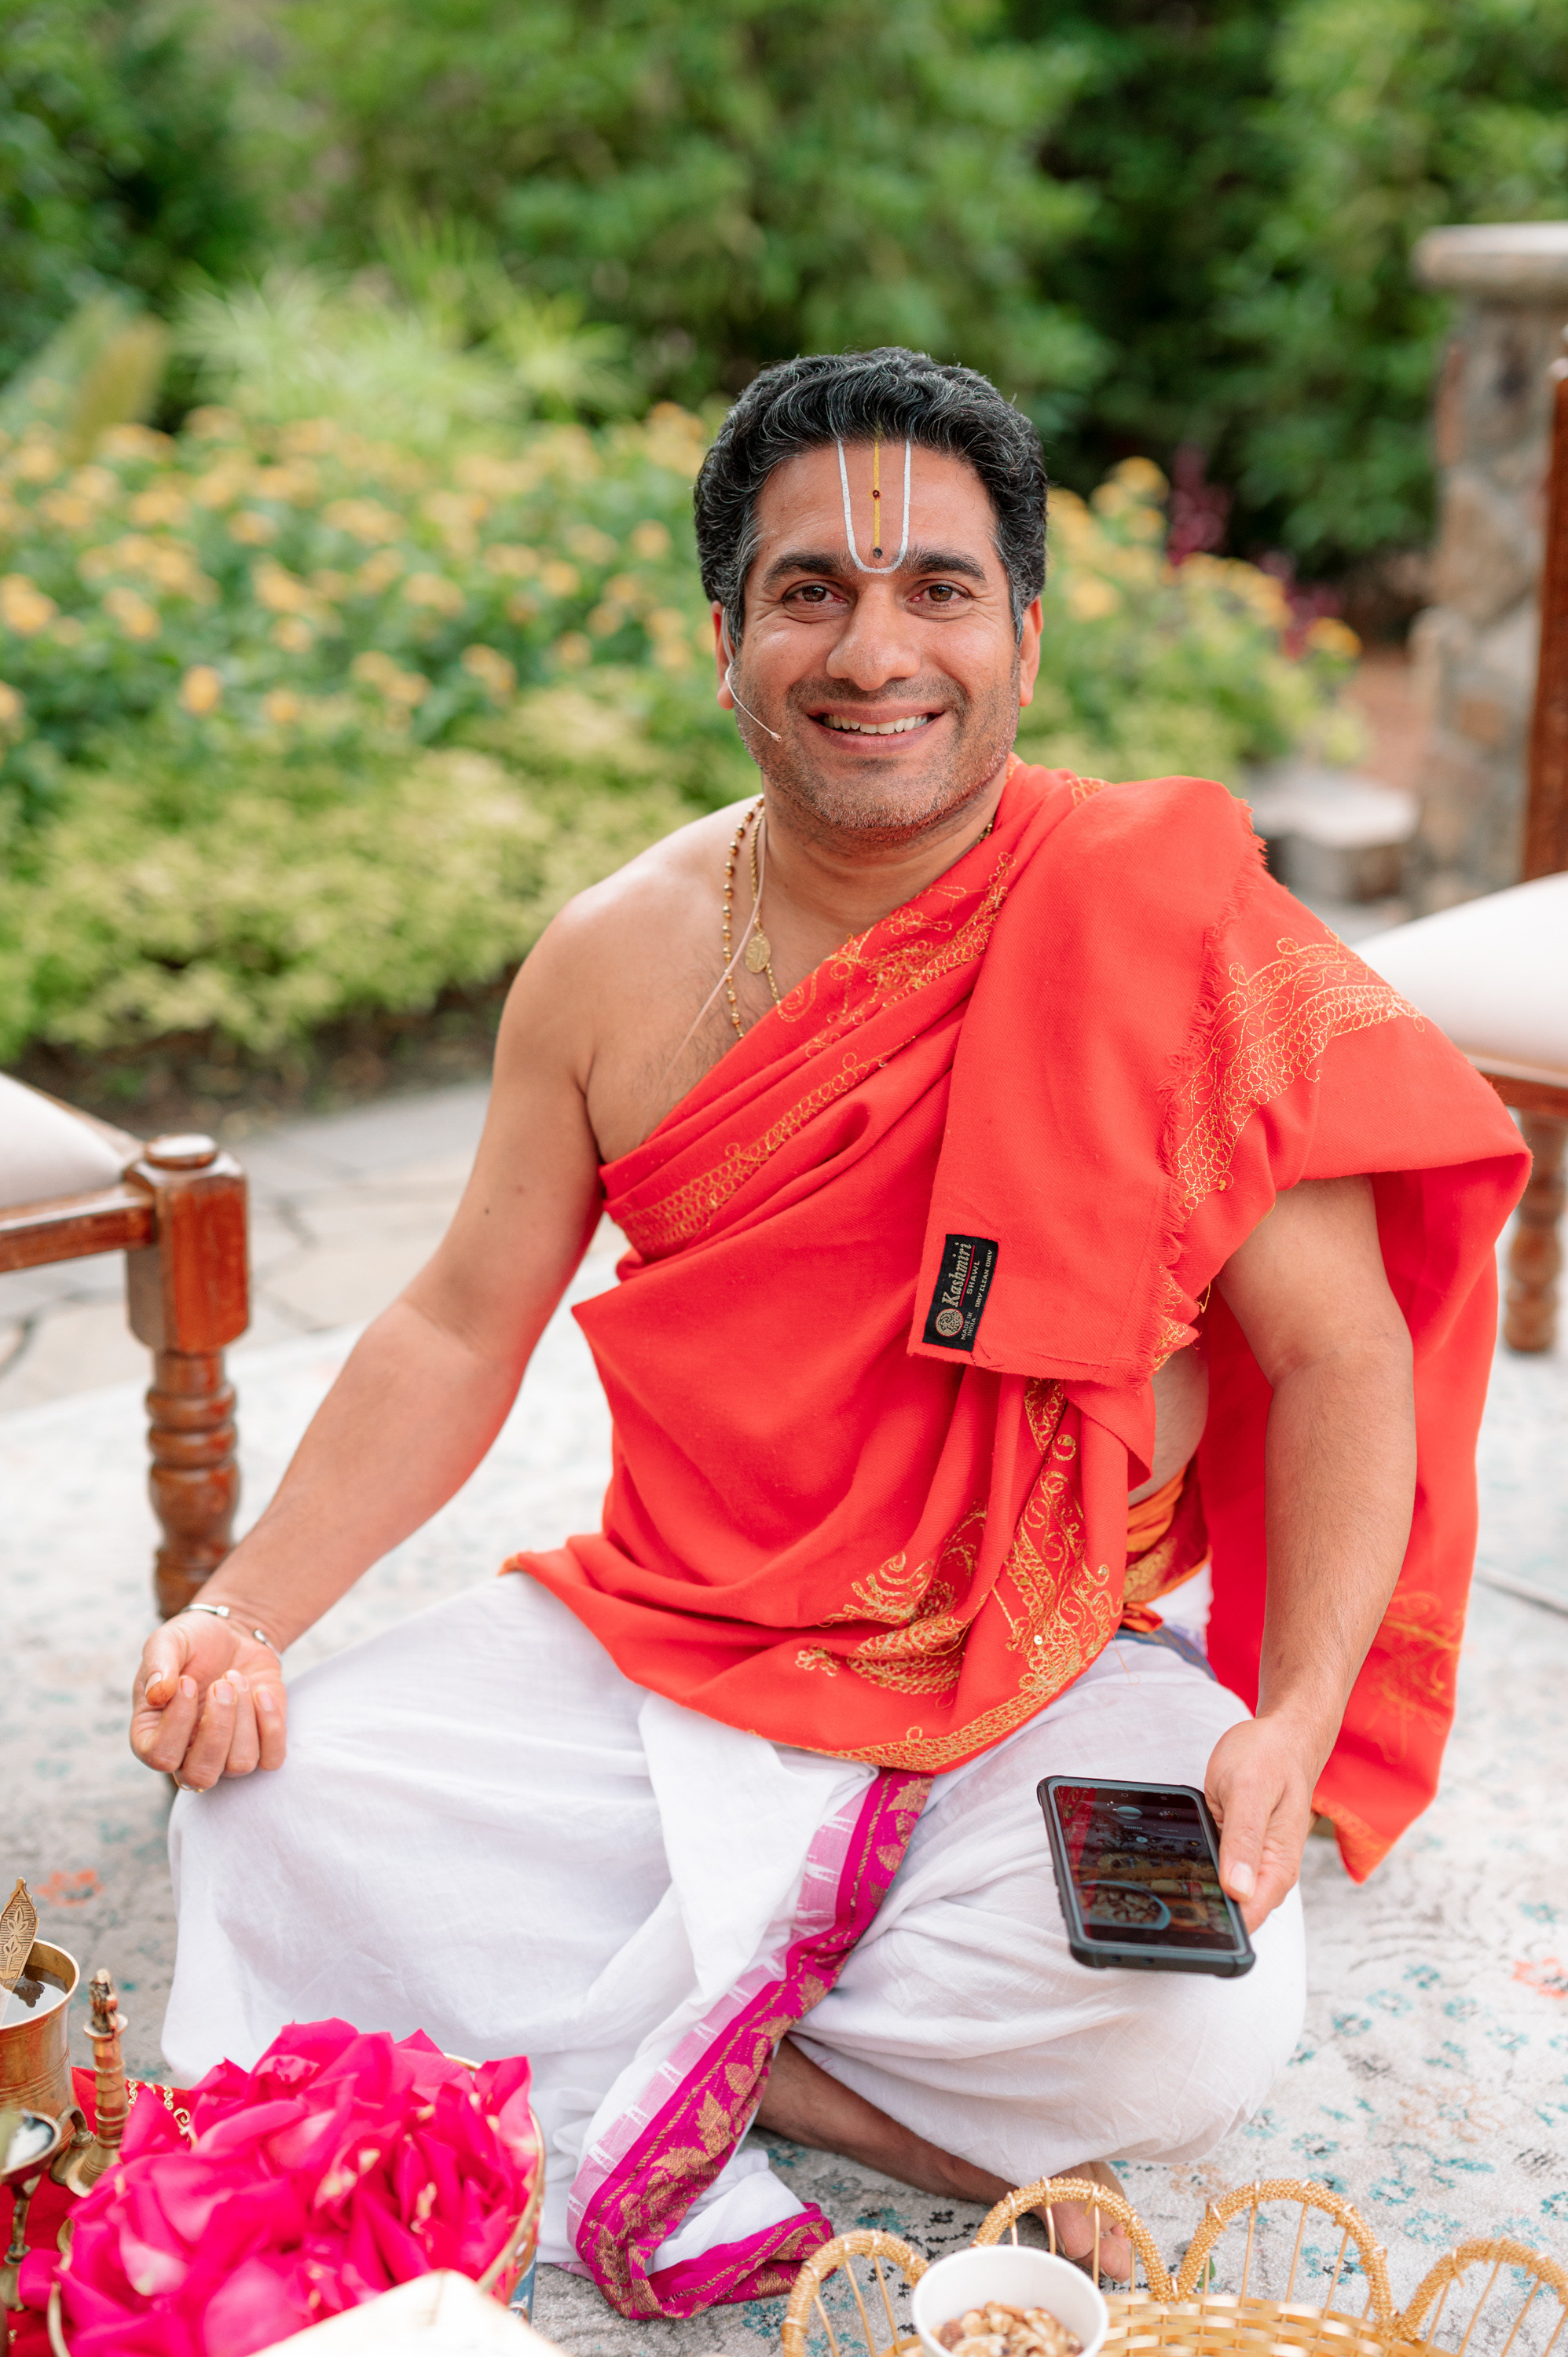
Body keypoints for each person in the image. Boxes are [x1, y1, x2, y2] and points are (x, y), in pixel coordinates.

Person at [128, 349, 1526, 2323]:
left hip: (1034, 1663)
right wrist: (244, 1614)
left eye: (937, 589)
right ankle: (812, 2068)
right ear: (726, 644)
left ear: (1021, 638)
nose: (875, 651)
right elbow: (453, 1326)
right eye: (810, 591)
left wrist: (1288, 1720)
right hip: (678, 1639)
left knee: (1191, 2020)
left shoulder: (1178, 933)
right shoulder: (611, 959)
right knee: (267, 1813)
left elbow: (1339, 1358)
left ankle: (714, 2041)